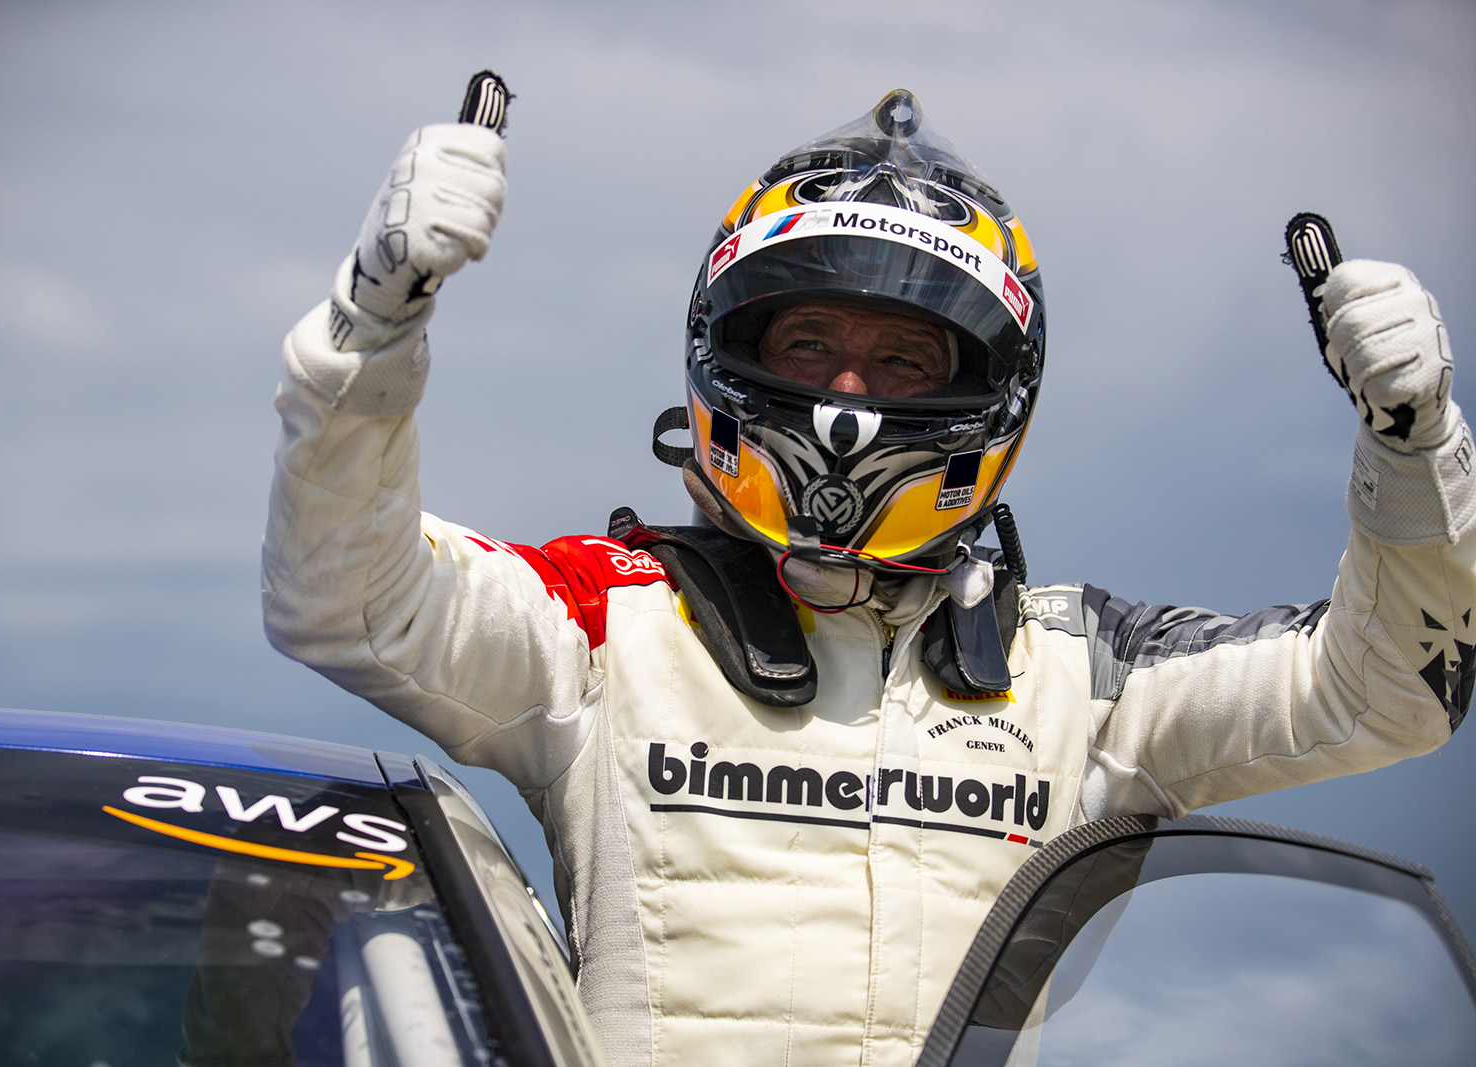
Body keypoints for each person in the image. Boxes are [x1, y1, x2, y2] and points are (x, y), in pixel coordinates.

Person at [262, 84, 1473, 1066]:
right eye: (808, 342)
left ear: (989, 390)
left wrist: (1416, 445)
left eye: (902, 357)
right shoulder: (610, 614)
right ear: (727, 348)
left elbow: (1390, 692)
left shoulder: (1082, 672)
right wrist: (372, 329)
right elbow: (349, 598)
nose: (847, 397)